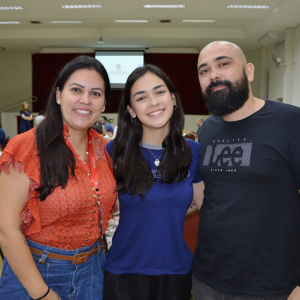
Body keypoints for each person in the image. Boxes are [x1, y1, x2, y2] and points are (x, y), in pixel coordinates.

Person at [0, 56, 117, 300]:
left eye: (96, 93)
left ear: (104, 103)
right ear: (58, 95)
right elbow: (6, 230)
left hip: (94, 270)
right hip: (37, 272)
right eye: (76, 90)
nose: (85, 100)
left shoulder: (103, 148)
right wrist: (42, 294)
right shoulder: (25, 147)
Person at [192, 41, 300, 300]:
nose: (213, 74)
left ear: (249, 71)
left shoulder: (290, 121)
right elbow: (210, 197)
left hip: (272, 285)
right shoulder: (207, 130)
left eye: (223, 64)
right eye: (204, 71)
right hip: (207, 278)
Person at [104, 65, 204, 300]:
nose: (153, 102)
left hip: (175, 271)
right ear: (131, 110)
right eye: (141, 97)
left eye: (159, 92)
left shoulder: (194, 152)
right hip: (123, 271)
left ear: (173, 98)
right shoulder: (113, 151)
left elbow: (207, 207)